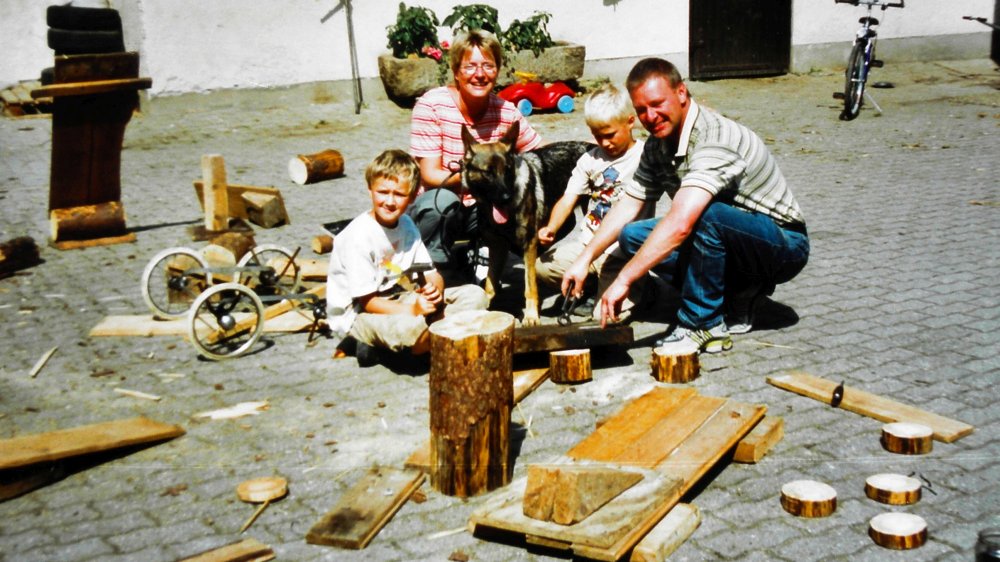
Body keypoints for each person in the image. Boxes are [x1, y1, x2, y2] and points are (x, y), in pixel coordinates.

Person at [561, 58, 810, 354]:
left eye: (657, 103)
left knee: (705, 215)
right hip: (730, 239)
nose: (650, 116)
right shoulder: (657, 145)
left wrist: (625, 279)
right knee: (632, 236)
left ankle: (702, 324)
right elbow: (630, 204)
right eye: (641, 110)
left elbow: (681, 223)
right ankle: (738, 294)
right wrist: (585, 258)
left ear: (681, 93)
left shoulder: (715, 137)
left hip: (782, 247)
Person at [327, 149, 489, 366]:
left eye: (399, 195)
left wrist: (434, 290)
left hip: (399, 297)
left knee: (475, 295)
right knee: (412, 327)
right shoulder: (358, 236)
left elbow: (430, 273)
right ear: (370, 190)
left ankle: (424, 340)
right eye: (383, 192)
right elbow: (369, 301)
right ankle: (386, 348)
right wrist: (413, 310)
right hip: (360, 313)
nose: (390, 202)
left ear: (412, 197)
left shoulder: (406, 224)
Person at [408, 29, 543, 285]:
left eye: (488, 66)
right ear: (456, 71)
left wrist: (589, 152)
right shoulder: (432, 105)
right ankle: (436, 271)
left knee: (536, 194)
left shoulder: (506, 112)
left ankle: (496, 254)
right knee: (441, 204)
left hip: (486, 206)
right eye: (470, 66)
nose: (480, 74)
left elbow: (539, 152)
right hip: (446, 206)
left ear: (498, 69)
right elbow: (430, 174)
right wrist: (478, 177)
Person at [535, 83, 645, 316]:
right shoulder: (589, 160)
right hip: (588, 245)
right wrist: (551, 227)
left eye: (610, 135)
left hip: (621, 251)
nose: (604, 143)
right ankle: (593, 286)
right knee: (543, 267)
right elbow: (568, 198)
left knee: (604, 317)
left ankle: (643, 289)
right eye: (597, 136)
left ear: (630, 122)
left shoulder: (644, 157)